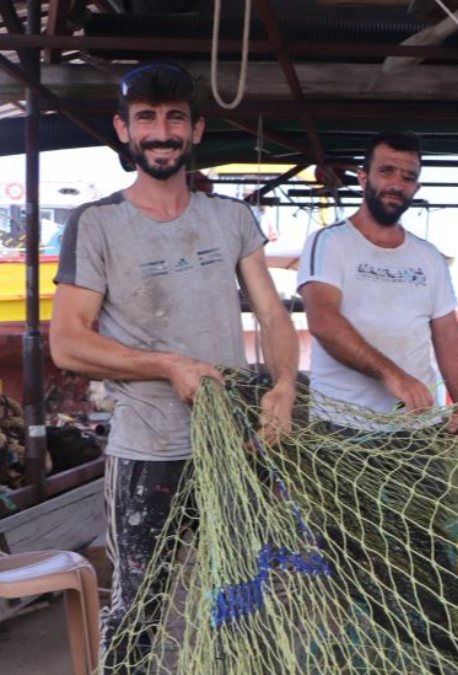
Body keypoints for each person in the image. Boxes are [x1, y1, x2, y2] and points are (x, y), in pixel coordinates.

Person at [49, 63, 299, 671]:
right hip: (146, 454)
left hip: (233, 451)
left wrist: (286, 387)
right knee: (141, 607)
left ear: (196, 130)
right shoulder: (98, 223)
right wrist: (167, 364)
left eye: (174, 119)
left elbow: (272, 315)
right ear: (123, 129)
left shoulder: (230, 218)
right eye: (146, 119)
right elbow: (67, 343)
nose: (161, 132)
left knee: (244, 598)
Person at [297, 131, 458, 442]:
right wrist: (393, 376)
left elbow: (447, 333)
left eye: (408, 177)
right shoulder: (329, 242)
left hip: (419, 428)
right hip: (341, 426)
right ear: (363, 178)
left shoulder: (429, 256)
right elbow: (323, 321)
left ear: (416, 188)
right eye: (386, 171)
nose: (397, 184)